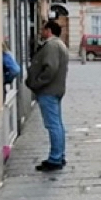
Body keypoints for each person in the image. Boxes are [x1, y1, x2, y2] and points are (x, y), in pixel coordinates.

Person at [25, 21, 69, 172]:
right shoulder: (59, 44)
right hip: (54, 90)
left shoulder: (52, 45)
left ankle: (55, 159)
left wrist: (36, 83)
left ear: (49, 30)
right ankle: (59, 155)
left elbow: (50, 68)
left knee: (53, 125)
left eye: (43, 29)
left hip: (48, 90)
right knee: (57, 124)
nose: (41, 32)